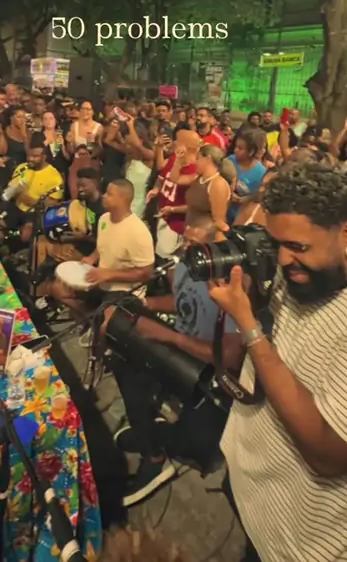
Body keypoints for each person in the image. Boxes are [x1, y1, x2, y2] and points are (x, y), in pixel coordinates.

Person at [210, 164, 347, 562]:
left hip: (311, 544)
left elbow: (328, 454)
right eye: (275, 244)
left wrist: (249, 326)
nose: (284, 260)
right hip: (257, 498)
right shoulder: (308, 271)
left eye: (298, 247)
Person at [106, 215, 230, 506]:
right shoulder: (186, 266)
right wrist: (148, 304)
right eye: (184, 240)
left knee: (199, 445)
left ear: (212, 249)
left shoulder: (226, 284)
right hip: (181, 345)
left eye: (193, 243)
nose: (185, 248)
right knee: (124, 358)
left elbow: (226, 356)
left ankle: (157, 453)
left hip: (208, 369)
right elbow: (183, 302)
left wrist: (167, 336)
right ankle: (149, 440)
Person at [50, 179, 154, 314]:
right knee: (59, 289)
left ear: (122, 199)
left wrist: (109, 275)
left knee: (107, 316)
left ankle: (97, 320)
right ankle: (91, 319)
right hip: (101, 281)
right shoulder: (104, 219)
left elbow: (146, 273)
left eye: (109, 194)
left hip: (124, 291)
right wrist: (92, 258)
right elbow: (103, 245)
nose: (104, 196)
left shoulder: (138, 232)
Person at [148, 129, 200, 258]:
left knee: (166, 259)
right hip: (163, 216)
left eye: (178, 141)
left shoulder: (195, 172)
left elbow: (195, 206)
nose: (174, 142)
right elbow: (162, 172)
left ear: (185, 147)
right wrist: (156, 189)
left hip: (176, 225)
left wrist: (172, 209)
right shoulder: (174, 159)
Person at [2, 134, 64, 241]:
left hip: (34, 213)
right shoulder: (22, 168)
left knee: (26, 234)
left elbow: (53, 204)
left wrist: (34, 202)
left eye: (35, 156)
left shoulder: (54, 177)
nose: (30, 159)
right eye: (29, 155)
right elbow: (11, 188)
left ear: (44, 157)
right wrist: (13, 192)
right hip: (15, 207)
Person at [186, 144, 232, 238]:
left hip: (204, 239)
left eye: (198, 158)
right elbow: (194, 207)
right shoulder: (198, 179)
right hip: (190, 234)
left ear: (208, 159)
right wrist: (172, 209)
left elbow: (219, 222)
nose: (195, 162)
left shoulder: (217, 184)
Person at [228, 129, 266, 222]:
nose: (235, 150)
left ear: (251, 152)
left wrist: (244, 199)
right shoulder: (229, 161)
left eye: (240, 148)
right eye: (236, 146)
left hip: (240, 218)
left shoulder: (261, 173)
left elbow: (258, 196)